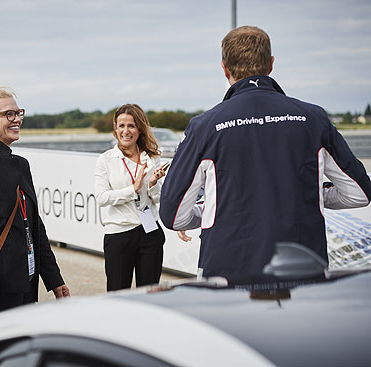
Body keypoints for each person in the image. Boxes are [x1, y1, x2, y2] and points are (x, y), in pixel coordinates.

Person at [159, 26, 371, 278]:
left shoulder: (204, 126)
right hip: (302, 270)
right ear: (270, 65)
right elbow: (358, 193)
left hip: (227, 272)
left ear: (224, 68)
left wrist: (215, 205)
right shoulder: (314, 118)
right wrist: (297, 196)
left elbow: (174, 216)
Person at [0, 87, 69, 316]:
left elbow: (35, 227)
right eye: (8, 114)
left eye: (18, 113)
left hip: (26, 280)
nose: (16, 119)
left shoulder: (20, 164)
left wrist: (54, 279)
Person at [94, 104, 168, 291]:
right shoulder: (106, 160)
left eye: (131, 126)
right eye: (121, 126)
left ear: (140, 129)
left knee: (150, 295)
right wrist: (132, 190)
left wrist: (152, 184)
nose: (126, 131)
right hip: (119, 234)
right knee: (118, 295)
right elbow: (102, 198)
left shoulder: (151, 158)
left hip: (150, 231)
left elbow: (157, 198)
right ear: (115, 128)